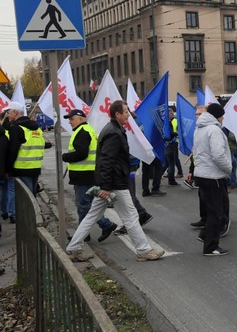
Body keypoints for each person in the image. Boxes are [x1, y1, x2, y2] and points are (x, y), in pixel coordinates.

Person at [66, 100, 164, 262]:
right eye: (125, 112)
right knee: (131, 216)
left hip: (109, 183)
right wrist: (105, 186)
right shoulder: (113, 132)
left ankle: (73, 248)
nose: (128, 115)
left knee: (92, 215)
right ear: (117, 114)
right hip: (114, 184)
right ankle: (144, 250)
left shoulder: (114, 129)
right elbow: (106, 161)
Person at [61, 109, 117, 243]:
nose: (69, 122)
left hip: (84, 174)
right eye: (69, 119)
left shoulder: (83, 132)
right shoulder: (86, 130)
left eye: (72, 119)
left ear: (81, 119)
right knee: (84, 205)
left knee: (84, 205)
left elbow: (82, 153)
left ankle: (106, 224)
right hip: (87, 173)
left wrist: (65, 157)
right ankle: (82, 234)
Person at [192, 103, 232, 256]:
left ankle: (204, 235)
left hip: (202, 174)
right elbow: (218, 154)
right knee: (217, 212)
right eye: (222, 115)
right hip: (213, 175)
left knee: (212, 209)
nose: (223, 118)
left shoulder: (199, 129)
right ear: (218, 115)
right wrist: (228, 168)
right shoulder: (214, 129)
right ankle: (211, 247)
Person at [4, 101, 50, 196]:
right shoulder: (37, 128)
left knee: (25, 198)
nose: (7, 115)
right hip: (36, 168)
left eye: (8, 112)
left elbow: (13, 150)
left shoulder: (16, 128)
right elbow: (40, 145)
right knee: (32, 196)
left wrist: (8, 169)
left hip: (21, 168)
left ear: (15, 112)